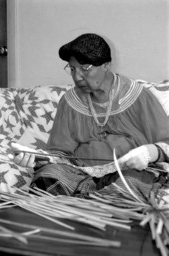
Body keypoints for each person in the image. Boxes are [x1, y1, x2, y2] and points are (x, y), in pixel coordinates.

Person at [12, 33, 169, 198]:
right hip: (81, 173)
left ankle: (92, 209)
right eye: (72, 69)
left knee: (129, 186)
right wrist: (40, 159)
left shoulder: (138, 96)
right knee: (47, 177)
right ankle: (87, 204)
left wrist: (149, 152)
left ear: (106, 65)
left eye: (85, 68)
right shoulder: (69, 101)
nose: (77, 77)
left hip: (129, 172)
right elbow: (60, 152)